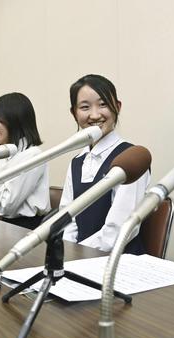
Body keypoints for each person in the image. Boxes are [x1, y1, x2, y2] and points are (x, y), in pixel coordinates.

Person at [60, 74, 150, 254]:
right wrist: (67, 252)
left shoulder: (131, 159)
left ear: (117, 107)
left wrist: (77, 254)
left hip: (119, 263)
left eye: (103, 105)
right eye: (85, 107)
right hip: (79, 262)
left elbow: (118, 231)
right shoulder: (77, 162)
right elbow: (66, 219)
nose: (94, 115)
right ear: (74, 113)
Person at [0, 92, 50, 229]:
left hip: (27, 229)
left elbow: (5, 207)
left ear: (15, 119)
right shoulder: (1, 155)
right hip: (1, 227)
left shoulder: (33, 155)